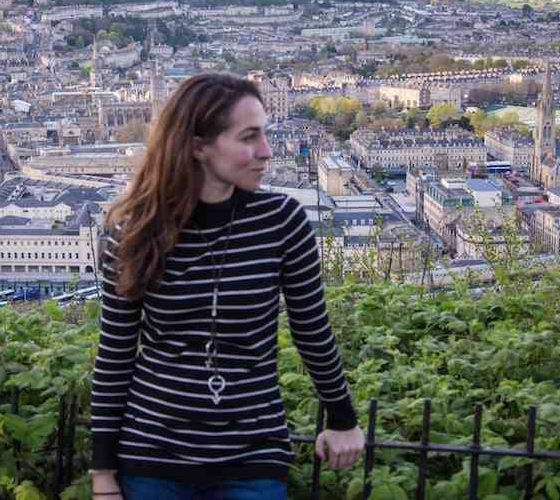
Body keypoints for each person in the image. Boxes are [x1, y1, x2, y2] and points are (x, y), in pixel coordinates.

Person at [89, 74, 364, 499]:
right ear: (198, 146)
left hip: (251, 456)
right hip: (151, 456)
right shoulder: (133, 231)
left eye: (265, 135)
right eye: (249, 137)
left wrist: (342, 417)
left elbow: (312, 330)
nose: (267, 152)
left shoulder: (281, 221)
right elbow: (116, 353)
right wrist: (103, 474)